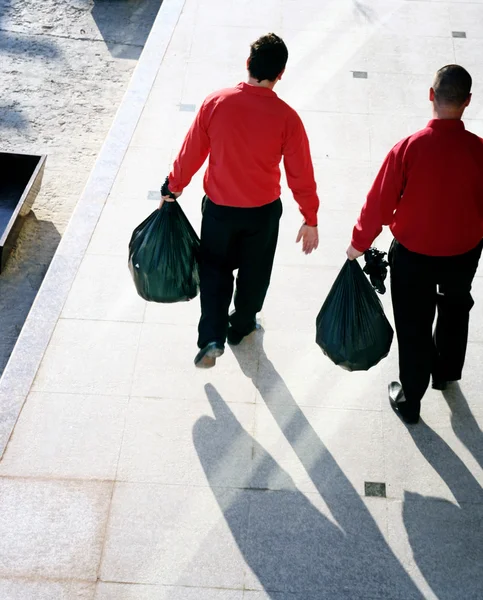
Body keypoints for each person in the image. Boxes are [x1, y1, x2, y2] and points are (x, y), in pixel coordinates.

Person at [160, 33, 320, 368]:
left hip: (219, 210)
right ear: (281, 74)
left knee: (215, 271)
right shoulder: (287, 118)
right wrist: (310, 217)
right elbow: (300, 174)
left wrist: (172, 188)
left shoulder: (216, 102)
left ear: (248, 64)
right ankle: (242, 325)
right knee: (255, 273)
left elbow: (191, 153)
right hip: (262, 214)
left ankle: (212, 337)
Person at [346, 64, 483, 424]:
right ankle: (446, 372)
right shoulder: (478, 150)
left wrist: (358, 244)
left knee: (413, 324)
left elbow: (379, 202)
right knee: (456, 307)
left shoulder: (409, 148)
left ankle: (411, 399)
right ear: (468, 101)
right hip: (463, 251)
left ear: (430, 95)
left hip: (413, 255)